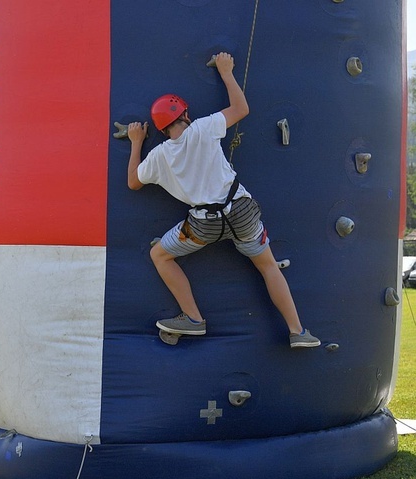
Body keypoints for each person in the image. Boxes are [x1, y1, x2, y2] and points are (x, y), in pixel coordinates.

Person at [126, 52, 320, 349]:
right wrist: (226, 70)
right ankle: (297, 331)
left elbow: (133, 183)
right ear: (185, 115)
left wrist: (137, 142)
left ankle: (193, 318)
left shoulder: (160, 155)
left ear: (163, 128)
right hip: (241, 213)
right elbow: (241, 108)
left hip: (202, 225)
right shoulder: (203, 128)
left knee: (160, 255)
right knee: (268, 266)